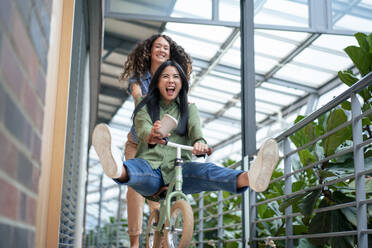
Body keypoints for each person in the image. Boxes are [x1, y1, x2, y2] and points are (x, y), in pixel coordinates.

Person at [92, 60, 279, 213]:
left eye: (175, 77)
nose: (171, 80)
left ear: (182, 83)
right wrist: (152, 133)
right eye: (165, 76)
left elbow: (197, 133)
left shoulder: (190, 109)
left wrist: (199, 143)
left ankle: (251, 177)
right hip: (152, 170)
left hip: (180, 172)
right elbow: (142, 128)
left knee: (208, 171)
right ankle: (116, 168)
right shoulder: (145, 104)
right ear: (157, 82)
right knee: (137, 168)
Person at [119, 34, 192, 247]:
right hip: (138, 143)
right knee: (134, 184)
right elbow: (136, 94)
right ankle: (134, 242)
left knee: (159, 194)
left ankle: (161, 237)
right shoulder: (140, 78)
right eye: (157, 46)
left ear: (170, 53)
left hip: (163, 145)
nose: (161, 50)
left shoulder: (173, 78)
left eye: (165, 48)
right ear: (150, 51)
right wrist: (142, 101)